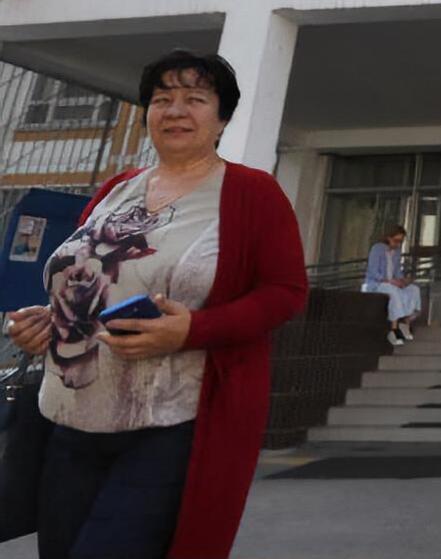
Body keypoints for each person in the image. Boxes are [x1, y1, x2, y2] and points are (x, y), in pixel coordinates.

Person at [4, 50, 307, 559]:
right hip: (69, 421)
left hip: (168, 425)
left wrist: (193, 330)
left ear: (223, 117)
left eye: (195, 98)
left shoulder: (251, 193)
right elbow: (90, 280)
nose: (175, 110)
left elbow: (286, 292)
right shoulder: (117, 189)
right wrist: (45, 323)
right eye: (162, 99)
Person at [362, 225, 421, 346]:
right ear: (388, 238)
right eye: (396, 240)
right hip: (376, 284)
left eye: (401, 241)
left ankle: (406, 324)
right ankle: (394, 330)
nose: (398, 244)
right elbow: (373, 271)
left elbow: (397, 271)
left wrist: (403, 281)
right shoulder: (377, 249)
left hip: (391, 282)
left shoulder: (397, 251)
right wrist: (390, 281)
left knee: (414, 289)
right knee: (393, 291)